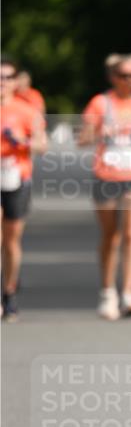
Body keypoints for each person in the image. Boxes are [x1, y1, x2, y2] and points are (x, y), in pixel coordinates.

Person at [80, 53, 131, 320]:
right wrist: (101, 132)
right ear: (113, 77)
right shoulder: (100, 104)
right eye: (124, 75)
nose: (130, 80)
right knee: (111, 236)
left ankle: (128, 294)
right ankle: (107, 291)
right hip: (107, 175)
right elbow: (83, 138)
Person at [1, 55, 47, 321]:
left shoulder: (26, 111)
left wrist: (21, 142)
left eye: (7, 77)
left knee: (10, 241)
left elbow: (42, 145)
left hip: (16, 178)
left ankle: (9, 293)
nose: (2, 83)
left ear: (15, 81)